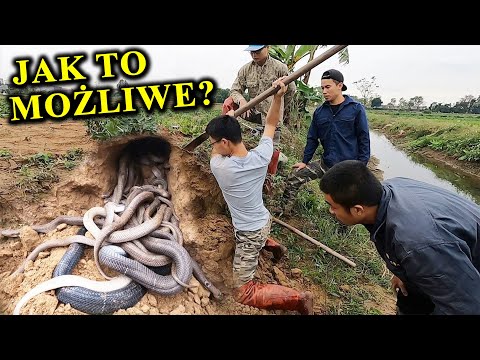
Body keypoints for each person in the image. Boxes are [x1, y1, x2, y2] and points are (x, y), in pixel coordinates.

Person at [206, 77, 313, 315]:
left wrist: (227, 115)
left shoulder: (221, 168)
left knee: (243, 291)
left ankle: (299, 299)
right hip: (264, 220)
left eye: (215, 142)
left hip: (249, 231)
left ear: (224, 142)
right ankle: (271, 245)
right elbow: (271, 124)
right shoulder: (262, 156)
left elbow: (216, 152)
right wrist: (278, 96)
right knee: (258, 233)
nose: (213, 145)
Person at [320, 160, 480, 315]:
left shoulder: (418, 245)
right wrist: (402, 270)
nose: (331, 212)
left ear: (358, 210)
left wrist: (415, 261)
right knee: (410, 300)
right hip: (444, 257)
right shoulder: (389, 189)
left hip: (465, 276)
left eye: (333, 207)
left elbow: (467, 307)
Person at [279, 69, 370, 216]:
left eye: (328, 87)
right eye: (322, 88)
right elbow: (312, 138)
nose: (324, 91)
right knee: (295, 176)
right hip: (326, 164)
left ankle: (342, 228)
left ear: (339, 86)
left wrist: (361, 168)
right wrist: (305, 161)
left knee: (345, 200)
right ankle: (284, 212)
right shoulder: (320, 112)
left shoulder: (356, 109)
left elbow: (364, 139)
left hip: (348, 167)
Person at [222, 45, 297, 194]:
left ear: (267, 48)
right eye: (252, 52)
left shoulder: (279, 68)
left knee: (270, 149)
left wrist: (279, 106)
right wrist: (243, 102)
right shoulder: (246, 69)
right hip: (253, 112)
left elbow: (291, 90)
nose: (254, 55)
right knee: (228, 104)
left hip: (271, 115)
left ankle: (268, 177)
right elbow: (235, 90)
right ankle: (228, 149)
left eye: (258, 51)